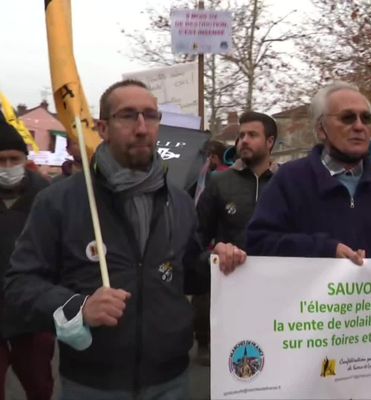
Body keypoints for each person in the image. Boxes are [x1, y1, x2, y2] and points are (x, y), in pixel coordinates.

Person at [4, 79, 246, 399]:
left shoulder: (180, 200)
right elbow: (20, 284)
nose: (142, 127)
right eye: (128, 116)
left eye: (151, 115)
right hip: (91, 384)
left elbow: (186, 271)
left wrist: (217, 261)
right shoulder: (60, 200)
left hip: (170, 380)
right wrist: (79, 307)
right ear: (102, 128)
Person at [246, 81, 371, 263]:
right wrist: (323, 250)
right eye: (347, 118)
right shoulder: (289, 181)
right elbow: (258, 243)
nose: (359, 126)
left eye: (366, 118)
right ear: (321, 130)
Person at [193, 112, 278, 362]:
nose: (243, 141)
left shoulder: (287, 183)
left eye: (252, 135)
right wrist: (214, 251)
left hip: (275, 298)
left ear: (270, 141)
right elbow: (196, 236)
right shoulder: (220, 183)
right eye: (241, 136)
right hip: (228, 296)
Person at [0, 119, 54, 400]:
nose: (8, 167)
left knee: (40, 386)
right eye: (1, 160)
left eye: (14, 159)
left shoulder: (45, 195)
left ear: (25, 159)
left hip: (33, 313)